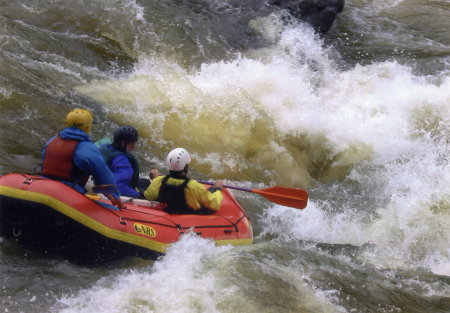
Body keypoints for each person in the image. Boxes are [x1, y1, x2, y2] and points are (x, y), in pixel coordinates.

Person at [41, 108, 124, 209]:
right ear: (88, 127)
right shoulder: (88, 148)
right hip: (69, 193)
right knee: (114, 210)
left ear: (66, 124)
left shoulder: (51, 141)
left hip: (43, 189)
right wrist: (114, 194)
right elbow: (104, 176)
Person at [144, 148, 224, 214]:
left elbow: (148, 196)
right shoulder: (193, 186)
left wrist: (155, 178)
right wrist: (218, 189)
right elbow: (215, 204)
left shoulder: (159, 181)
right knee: (212, 190)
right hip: (189, 217)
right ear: (185, 167)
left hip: (168, 213)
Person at [99, 126, 150, 198]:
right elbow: (118, 186)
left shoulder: (105, 147)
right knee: (144, 192)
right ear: (123, 143)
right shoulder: (123, 162)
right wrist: (138, 195)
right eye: (132, 144)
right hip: (111, 192)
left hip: (101, 183)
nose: (133, 147)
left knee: (145, 182)